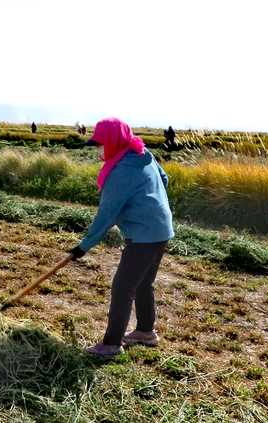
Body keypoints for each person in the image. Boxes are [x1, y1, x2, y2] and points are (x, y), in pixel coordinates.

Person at [69, 116, 174, 358]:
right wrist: (148, 200)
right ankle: (146, 332)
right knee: (142, 283)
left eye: (101, 144)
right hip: (161, 228)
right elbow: (164, 179)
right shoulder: (142, 153)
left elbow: (105, 215)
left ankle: (112, 344)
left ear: (112, 141)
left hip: (144, 235)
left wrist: (82, 247)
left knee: (123, 287)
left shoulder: (119, 173)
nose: (99, 150)